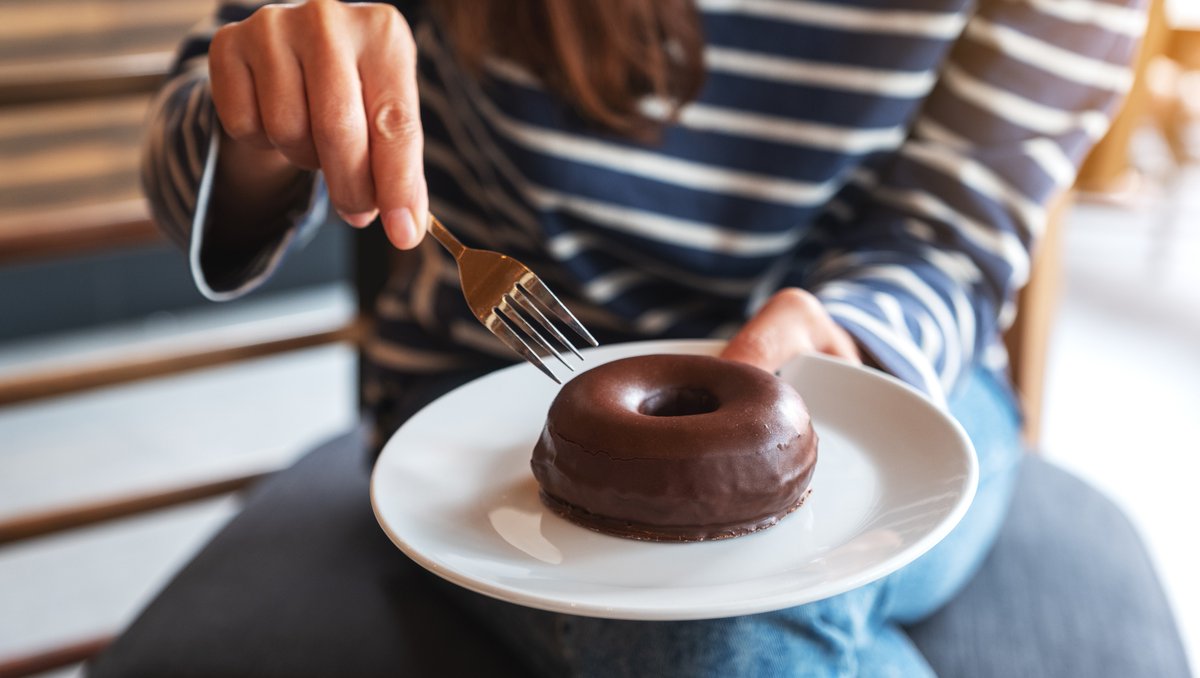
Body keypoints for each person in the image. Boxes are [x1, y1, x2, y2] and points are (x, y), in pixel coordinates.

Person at [109, 0, 1144, 675]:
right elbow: (182, 168)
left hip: (891, 380)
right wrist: (263, 119)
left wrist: (853, 340)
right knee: (721, 633)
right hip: (493, 418)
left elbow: (954, 232)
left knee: (729, 626)